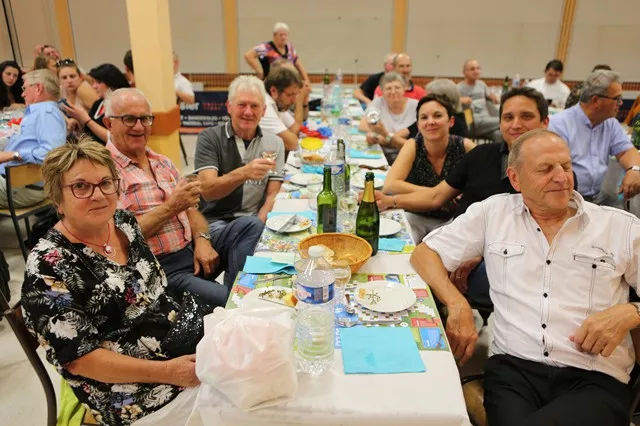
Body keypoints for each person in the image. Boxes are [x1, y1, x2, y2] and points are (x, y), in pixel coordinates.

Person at [411, 129, 640, 426]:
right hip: (513, 371)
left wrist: (630, 312)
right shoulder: (494, 213)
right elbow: (424, 254)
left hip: (595, 376)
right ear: (515, 179)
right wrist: (457, 304)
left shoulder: (618, 227)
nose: (561, 177)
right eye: (546, 169)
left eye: (566, 166)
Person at [22, 138, 204, 426]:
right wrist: (171, 371)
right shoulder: (49, 266)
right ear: (57, 198)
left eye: (106, 183)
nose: (98, 195)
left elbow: (156, 293)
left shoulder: (123, 223)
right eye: (81, 186)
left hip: (178, 345)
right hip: (130, 391)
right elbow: (81, 360)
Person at [374, 87, 550, 306]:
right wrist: (390, 201)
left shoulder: (554, 173)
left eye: (526, 116)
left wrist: (482, 251)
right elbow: (436, 197)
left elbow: (541, 236)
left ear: (545, 122)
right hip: (458, 238)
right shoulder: (480, 155)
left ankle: (447, 310)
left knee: (448, 274)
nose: (515, 124)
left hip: (506, 256)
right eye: (508, 117)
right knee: (409, 259)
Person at [105, 88, 228, 307]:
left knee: (249, 227)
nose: (139, 126)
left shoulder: (162, 161)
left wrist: (202, 240)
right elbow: (121, 237)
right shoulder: (106, 173)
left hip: (191, 249)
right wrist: (172, 206)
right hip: (162, 268)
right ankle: (230, 302)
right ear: (109, 123)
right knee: (229, 300)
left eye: (145, 119)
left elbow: (191, 209)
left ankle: (236, 295)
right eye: (129, 119)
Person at [195, 75, 284, 289]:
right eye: (242, 105)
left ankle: (235, 294)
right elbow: (207, 191)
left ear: (264, 110)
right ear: (229, 107)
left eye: (255, 106)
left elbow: (272, 194)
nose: (248, 112)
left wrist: (260, 226)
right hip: (216, 222)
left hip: (254, 220)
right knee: (249, 232)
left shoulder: (275, 143)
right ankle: (238, 295)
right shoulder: (209, 138)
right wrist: (244, 172)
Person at [383, 95, 475, 242]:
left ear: (451, 121)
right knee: (402, 246)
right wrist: (439, 194)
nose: (430, 122)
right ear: (418, 125)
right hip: (414, 216)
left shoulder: (465, 146)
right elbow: (390, 185)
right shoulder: (413, 145)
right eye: (424, 117)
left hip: (452, 221)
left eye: (437, 116)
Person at [549, 70, 640, 206]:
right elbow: (556, 170)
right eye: (617, 99)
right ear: (596, 100)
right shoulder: (559, 124)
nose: (621, 103)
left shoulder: (610, 123)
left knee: (623, 214)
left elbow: (626, 151)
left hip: (598, 195)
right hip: (568, 197)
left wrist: (634, 169)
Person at [0, 69, 66, 208]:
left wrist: (13, 154)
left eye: (25, 88)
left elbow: (52, 154)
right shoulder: (40, 112)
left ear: (38, 88)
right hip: (16, 182)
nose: (22, 94)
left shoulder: (46, 113)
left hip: (21, 187)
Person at [61, 63, 129, 144]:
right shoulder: (98, 103)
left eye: (98, 82)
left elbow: (116, 139)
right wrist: (79, 122)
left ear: (110, 81)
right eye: (93, 82)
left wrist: (87, 120)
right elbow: (90, 132)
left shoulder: (122, 105)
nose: (94, 86)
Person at [359, 71, 418, 164]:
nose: (393, 92)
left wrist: (383, 136)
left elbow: (408, 133)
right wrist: (377, 135)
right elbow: (363, 124)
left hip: (405, 154)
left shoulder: (416, 106)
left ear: (404, 89)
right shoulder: (378, 102)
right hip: (383, 152)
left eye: (397, 87)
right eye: (388, 88)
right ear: (382, 91)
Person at [259, 66, 309, 152]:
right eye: (290, 95)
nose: (293, 100)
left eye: (296, 95)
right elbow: (292, 144)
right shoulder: (265, 106)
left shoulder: (278, 102)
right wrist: (299, 101)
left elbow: (295, 128)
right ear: (273, 91)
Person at [404, 79, 469, 139]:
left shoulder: (455, 122)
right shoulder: (428, 116)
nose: (426, 99)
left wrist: (413, 144)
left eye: (429, 96)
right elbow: (403, 134)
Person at [244, 22, 310, 82]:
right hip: (272, 81)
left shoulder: (290, 47)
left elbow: (298, 64)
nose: (284, 37)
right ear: (274, 36)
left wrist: (307, 80)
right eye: (281, 35)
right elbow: (248, 55)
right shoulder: (266, 47)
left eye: (286, 35)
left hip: (289, 81)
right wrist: (260, 71)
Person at [458, 59, 502, 142]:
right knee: (504, 121)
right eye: (472, 69)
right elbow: (451, 102)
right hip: (472, 121)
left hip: (487, 120)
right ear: (464, 72)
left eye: (478, 68)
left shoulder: (482, 84)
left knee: (498, 134)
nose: (476, 71)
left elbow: (492, 98)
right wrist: (460, 100)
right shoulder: (459, 88)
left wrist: (495, 98)